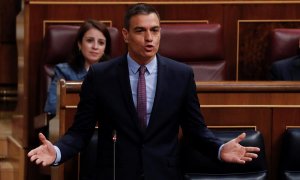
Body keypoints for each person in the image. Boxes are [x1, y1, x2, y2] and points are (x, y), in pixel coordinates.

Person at [28, 3, 260, 180]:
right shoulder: (100, 76)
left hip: (164, 174)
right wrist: (57, 152)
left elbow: (195, 131)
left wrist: (219, 149)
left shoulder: (181, 75)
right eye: (140, 31)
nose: (149, 38)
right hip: (115, 174)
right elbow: (81, 132)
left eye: (155, 30)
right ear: (126, 34)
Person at [44, 19, 112, 117]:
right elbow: (51, 107)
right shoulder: (64, 71)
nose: (95, 47)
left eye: (101, 43)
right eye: (89, 41)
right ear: (79, 44)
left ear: (105, 48)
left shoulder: (113, 73)